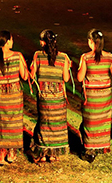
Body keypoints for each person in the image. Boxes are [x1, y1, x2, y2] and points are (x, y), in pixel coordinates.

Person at [30, 29, 70, 163]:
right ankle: (54, 154)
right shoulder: (63, 57)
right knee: (57, 124)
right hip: (58, 97)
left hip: (44, 97)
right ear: (55, 41)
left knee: (44, 124)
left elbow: (32, 75)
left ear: (42, 43)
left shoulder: (38, 55)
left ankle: (43, 153)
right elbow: (66, 78)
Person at [76, 29, 112, 162]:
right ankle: (100, 146)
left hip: (91, 96)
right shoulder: (109, 57)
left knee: (90, 122)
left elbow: (80, 77)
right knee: (102, 121)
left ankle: (89, 149)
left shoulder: (86, 57)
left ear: (90, 42)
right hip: (105, 96)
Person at [0, 30, 27, 164]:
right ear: (7, 41)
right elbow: (24, 76)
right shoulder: (18, 56)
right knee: (15, 122)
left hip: (1, 95)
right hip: (15, 95)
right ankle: (12, 152)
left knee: (2, 123)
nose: (12, 42)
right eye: (11, 39)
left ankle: (1, 152)